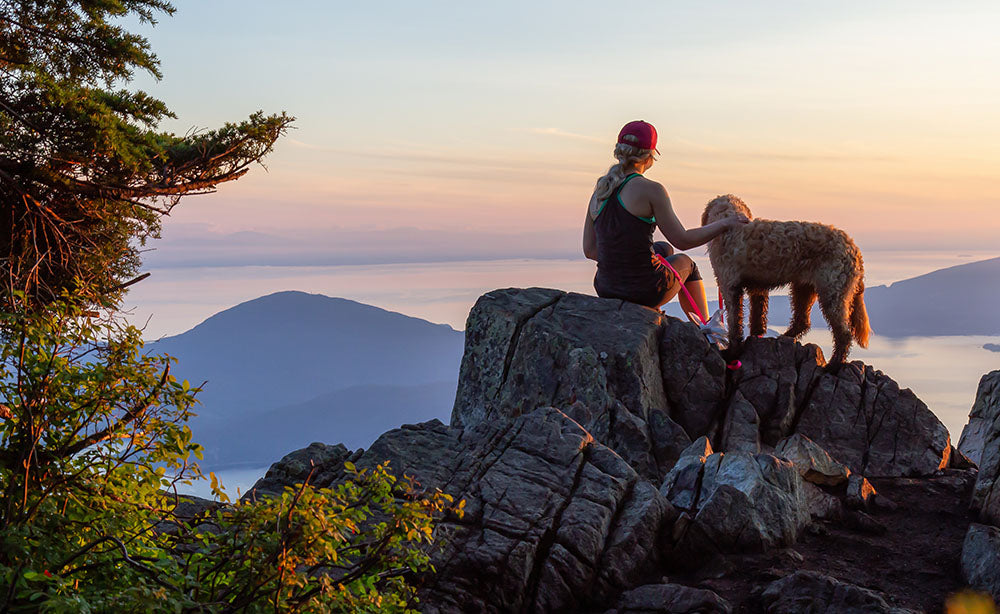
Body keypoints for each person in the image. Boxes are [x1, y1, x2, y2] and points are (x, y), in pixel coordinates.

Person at [582, 120, 747, 321]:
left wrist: (622, 262)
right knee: (688, 264)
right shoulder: (652, 190)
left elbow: (590, 250)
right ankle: (706, 329)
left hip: (606, 287)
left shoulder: (600, 191)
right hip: (645, 290)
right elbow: (683, 241)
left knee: (664, 249)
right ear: (650, 156)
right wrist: (725, 224)